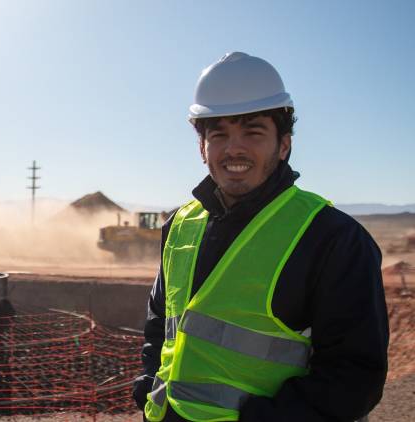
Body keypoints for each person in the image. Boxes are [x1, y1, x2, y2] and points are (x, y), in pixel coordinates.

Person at [133, 52, 388, 422]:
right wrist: (147, 387)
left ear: (284, 144)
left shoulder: (333, 238)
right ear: (201, 147)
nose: (233, 148)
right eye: (218, 134)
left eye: (252, 132)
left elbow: (354, 378)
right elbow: (162, 321)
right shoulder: (179, 224)